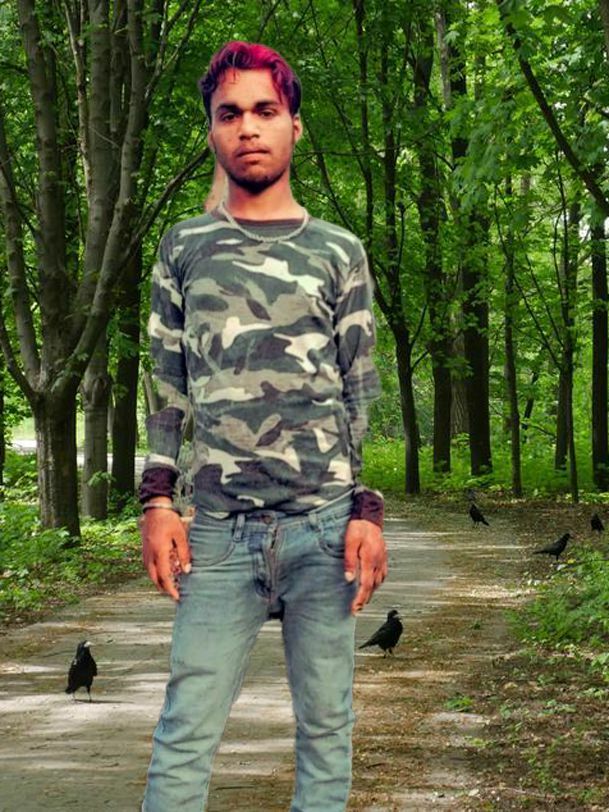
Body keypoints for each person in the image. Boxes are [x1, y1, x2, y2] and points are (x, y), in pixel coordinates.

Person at [139, 40, 387, 812]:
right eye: (229, 114)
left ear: (293, 127)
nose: (248, 127)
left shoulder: (338, 251)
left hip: (324, 531)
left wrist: (368, 511)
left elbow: (359, 386)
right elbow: (166, 379)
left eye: (265, 111)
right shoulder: (185, 246)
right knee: (184, 732)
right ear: (213, 131)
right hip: (216, 533)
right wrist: (156, 501)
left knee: (327, 729)